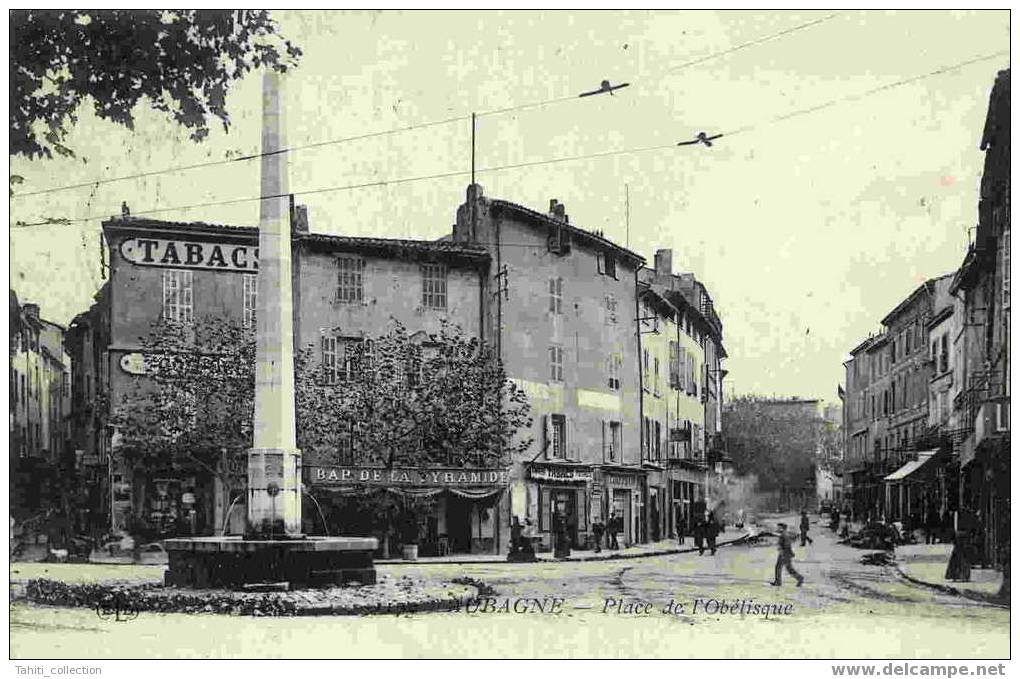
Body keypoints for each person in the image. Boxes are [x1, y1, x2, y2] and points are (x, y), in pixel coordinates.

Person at [771, 522, 804, 587]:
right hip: (784, 553)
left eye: (778, 527)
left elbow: (787, 545)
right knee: (783, 568)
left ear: (781, 528)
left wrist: (784, 553)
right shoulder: (784, 534)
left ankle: (799, 578)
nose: (777, 528)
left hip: (784, 554)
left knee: (783, 568)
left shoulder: (784, 535)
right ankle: (778, 581)